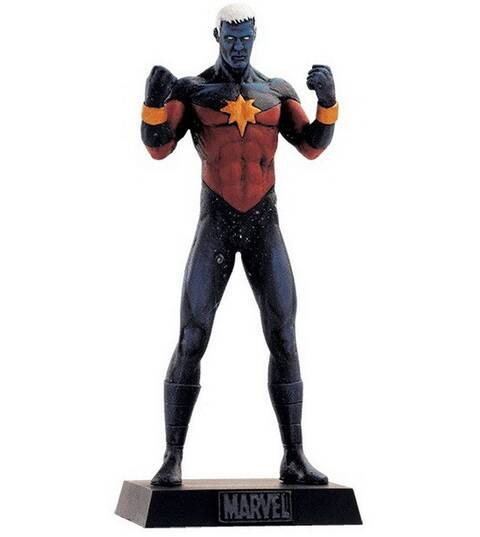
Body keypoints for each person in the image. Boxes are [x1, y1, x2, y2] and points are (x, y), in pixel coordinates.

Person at [141, 2, 339, 486]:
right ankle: (172, 458)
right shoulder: (193, 90)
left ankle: (294, 457)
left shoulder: (277, 92)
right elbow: (158, 146)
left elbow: (311, 146)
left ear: (256, 37)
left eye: (245, 39)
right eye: (230, 39)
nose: (238, 47)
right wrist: (151, 102)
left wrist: (329, 103)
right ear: (216, 37)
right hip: (217, 222)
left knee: (284, 336)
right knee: (192, 336)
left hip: (264, 224)